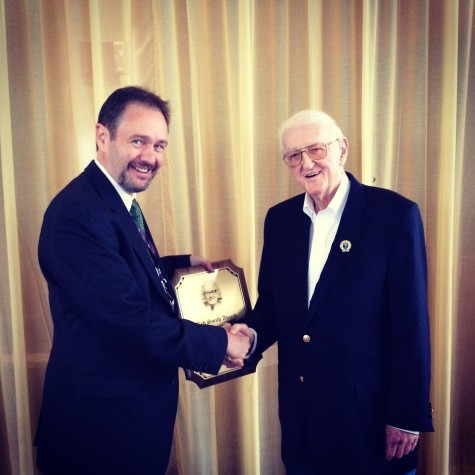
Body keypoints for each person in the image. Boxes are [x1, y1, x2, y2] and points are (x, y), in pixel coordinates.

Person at [35, 86, 251, 475]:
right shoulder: (78, 214)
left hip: (126, 424)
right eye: (138, 141)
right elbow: (127, 320)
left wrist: (179, 265)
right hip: (97, 436)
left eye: (159, 145)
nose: (150, 157)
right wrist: (220, 342)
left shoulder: (113, 200)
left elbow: (117, 270)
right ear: (102, 136)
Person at [229, 110, 433, 474]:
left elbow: (411, 323)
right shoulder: (280, 220)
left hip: (369, 418)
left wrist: (406, 415)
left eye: (316, 149)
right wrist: (248, 336)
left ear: (342, 149)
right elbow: (273, 305)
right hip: (303, 418)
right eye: (294, 155)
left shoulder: (394, 215)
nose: (306, 163)